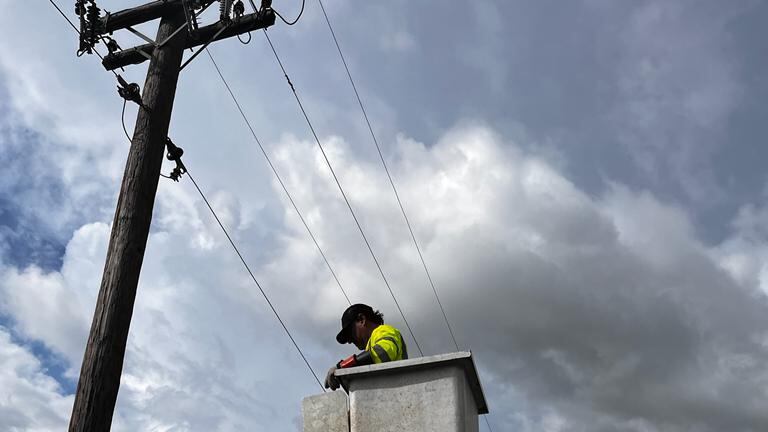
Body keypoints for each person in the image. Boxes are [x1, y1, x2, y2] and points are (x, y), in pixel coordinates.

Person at [324, 303, 408, 390]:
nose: (349, 341)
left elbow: (383, 352)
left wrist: (343, 367)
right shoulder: (371, 344)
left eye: (350, 333)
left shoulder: (384, 330)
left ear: (362, 320)